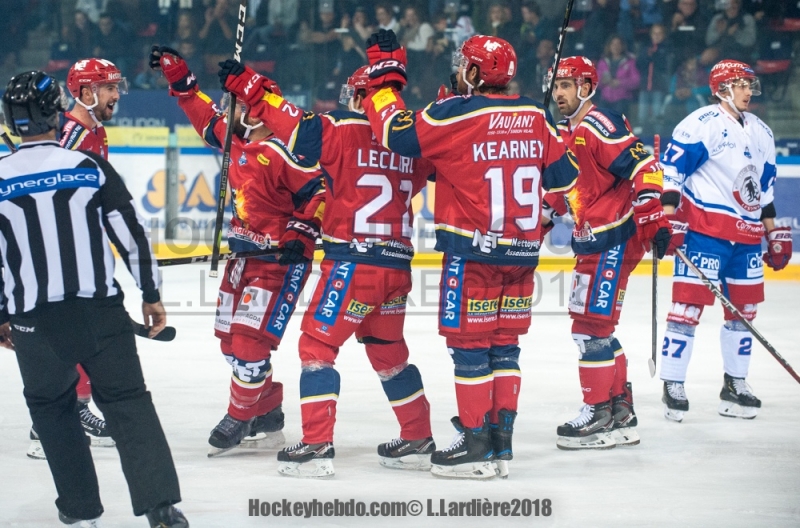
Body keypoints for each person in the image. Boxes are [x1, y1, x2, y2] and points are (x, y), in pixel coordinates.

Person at [361, 30, 579, 479]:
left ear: (476, 72)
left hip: (473, 254)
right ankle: (501, 441)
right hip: (521, 256)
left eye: (465, 63)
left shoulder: (455, 113)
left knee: (470, 349)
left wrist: (382, 84)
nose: (460, 69)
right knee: (505, 346)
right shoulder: (537, 116)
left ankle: (476, 443)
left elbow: (394, 132)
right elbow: (564, 182)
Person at [219, 62, 438, 477]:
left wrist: (250, 87)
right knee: (388, 352)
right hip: (397, 267)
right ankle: (418, 436)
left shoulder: (342, 129)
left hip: (354, 264)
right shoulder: (415, 140)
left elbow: (289, 122)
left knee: (316, 349)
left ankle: (317, 446)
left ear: (361, 98)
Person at [0, 70, 187, 528]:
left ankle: (81, 513)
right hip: (100, 314)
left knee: (52, 409)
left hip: (32, 321)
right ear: (54, 113)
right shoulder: (88, 167)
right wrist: (151, 294)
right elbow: (131, 235)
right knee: (128, 403)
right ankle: (161, 508)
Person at [148, 45, 325, 456]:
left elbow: (320, 191)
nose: (233, 112)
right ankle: (267, 408)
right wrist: (182, 82)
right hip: (241, 257)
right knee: (230, 343)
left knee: (248, 344)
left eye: (240, 104)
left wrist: (301, 233)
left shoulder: (286, 153)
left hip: (276, 262)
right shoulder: (236, 140)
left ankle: (238, 416)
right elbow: (205, 116)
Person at [544, 56, 672, 450]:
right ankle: (620, 412)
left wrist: (653, 215)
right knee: (595, 327)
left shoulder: (599, 124)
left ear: (586, 87)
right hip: (594, 239)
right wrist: (541, 220)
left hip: (613, 236)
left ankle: (598, 412)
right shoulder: (568, 131)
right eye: (555, 86)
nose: (558, 94)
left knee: (590, 327)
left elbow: (645, 166)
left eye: (566, 85)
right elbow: (566, 192)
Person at [658, 59, 790, 421]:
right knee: (686, 310)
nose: (748, 90)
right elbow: (672, 171)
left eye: (750, 84)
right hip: (705, 232)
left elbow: (764, 189)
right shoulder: (701, 124)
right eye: (741, 84)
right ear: (722, 88)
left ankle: (735, 383)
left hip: (746, 236)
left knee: (743, 314)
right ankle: (673, 384)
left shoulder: (762, 131)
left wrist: (773, 230)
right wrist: (669, 219)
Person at [27, 57, 130, 461]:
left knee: (88, 331)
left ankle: (76, 407)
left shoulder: (95, 130)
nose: (115, 94)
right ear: (85, 93)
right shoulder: (68, 134)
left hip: (83, 250)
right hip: (60, 253)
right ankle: (48, 423)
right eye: (108, 88)